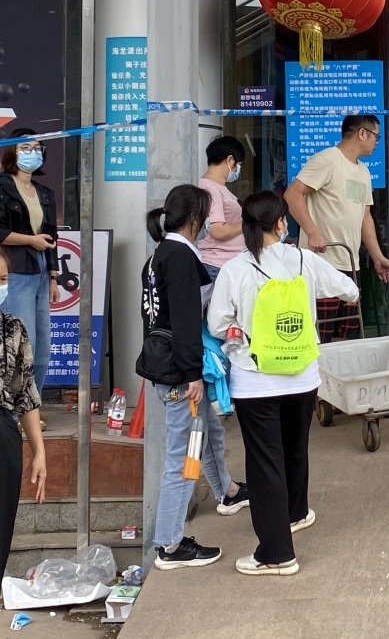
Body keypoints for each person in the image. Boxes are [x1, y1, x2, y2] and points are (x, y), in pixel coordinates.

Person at [208, 191, 359, 576]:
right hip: (303, 376)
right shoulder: (305, 260)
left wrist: (240, 330)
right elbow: (350, 290)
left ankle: (276, 553)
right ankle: (295, 513)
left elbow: (217, 322)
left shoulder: (235, 269)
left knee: (265, 463)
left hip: (255, 381)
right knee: (295, 448)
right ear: (280, 224)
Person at [142, 185, 249, 571]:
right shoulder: (181, 258)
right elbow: (186, 322)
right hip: (180, 375)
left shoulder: (160, 255)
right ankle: (170, 545)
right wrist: (193, 375)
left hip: (166, 366)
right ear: (194, 218)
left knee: (207, 433)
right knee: (184, 455)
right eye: (204, 216)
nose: (206, 223)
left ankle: (228, 491)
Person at [283, 114, 389, 342]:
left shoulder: (363, 171)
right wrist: (313, 232)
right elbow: (292, 194)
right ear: (362, 133)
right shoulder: (327, 159)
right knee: (320, 336)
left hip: (350, 265)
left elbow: (365, 217)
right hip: (321, 263)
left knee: (348, 337)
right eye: (376, 136)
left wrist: (377, 257)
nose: (377, 142)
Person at [0, 129, 59, 421]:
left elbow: (51, 236)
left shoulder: (45, 192)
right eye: (25, 148)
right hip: (14, 267)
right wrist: (30, 240)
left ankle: (31, 411)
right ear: (12, 151)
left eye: (37, 148)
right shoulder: (2, 186)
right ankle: (12, 415)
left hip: (40, 269)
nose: (32, 153)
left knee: (43, 347)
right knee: (22, 344)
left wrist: (53, 276)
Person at [0, 247, 47, 578]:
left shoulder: (13, 327)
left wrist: (38, 451)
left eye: (3, 279)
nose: (1, 286)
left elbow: (25, 392)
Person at [198, 135, 246, 280]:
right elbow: (217, 230)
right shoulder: (210, 188)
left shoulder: (218, 188)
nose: (238, 169)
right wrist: (248, 223)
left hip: (226, 263)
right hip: (218, 264)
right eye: (239, 164)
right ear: (230, 160)